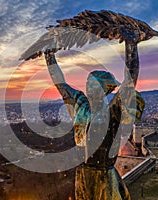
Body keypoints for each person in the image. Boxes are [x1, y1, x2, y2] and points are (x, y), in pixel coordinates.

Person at [43, 34, 145, 199]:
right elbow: (60, 84)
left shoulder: (113, 111)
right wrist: (49, 57)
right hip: (83, 173)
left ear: (105, 89)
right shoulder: (81, 107)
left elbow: (130, 81)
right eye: (88, 83)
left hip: (104, 176)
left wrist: (131, 45)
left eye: (94, 85)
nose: (89, 87)